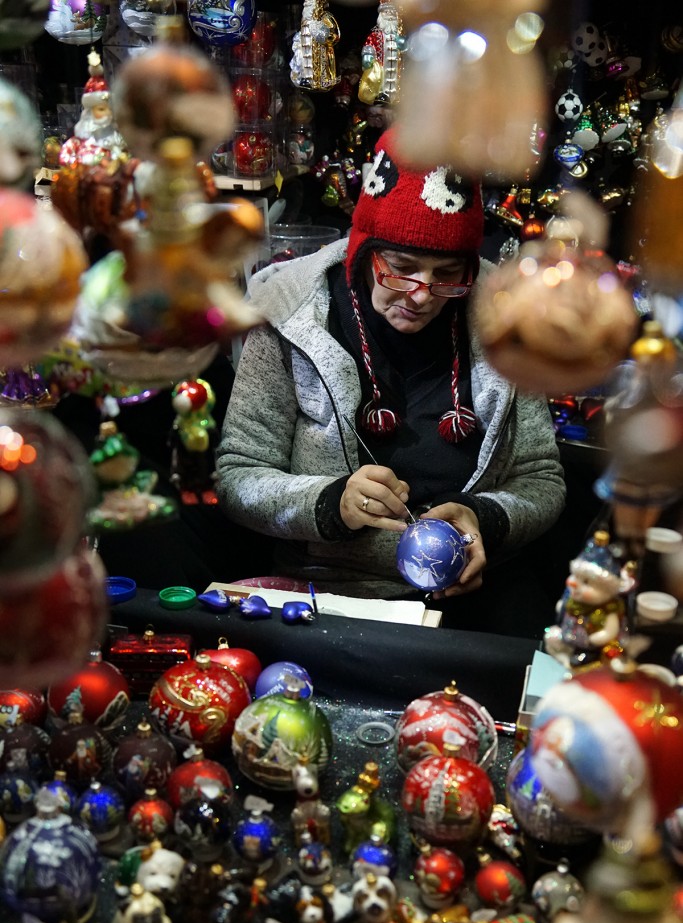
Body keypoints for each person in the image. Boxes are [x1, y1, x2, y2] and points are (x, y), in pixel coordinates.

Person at [215, 129, 566, 638]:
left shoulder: (508, 322)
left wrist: (484, 517)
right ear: (363, 251)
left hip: (470, 594)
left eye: (448, 275)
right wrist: (330, 502)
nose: (423, 295)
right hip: (327, 592)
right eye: (400, 270)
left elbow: (542, 480)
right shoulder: (290, 314)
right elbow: (238, 475)